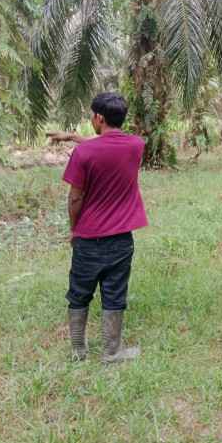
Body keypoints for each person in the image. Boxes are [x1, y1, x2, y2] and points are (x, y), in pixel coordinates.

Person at [46, 92, 148, 364]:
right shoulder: (137, 145)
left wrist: (72, 229)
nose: (90, 119)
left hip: (88, 238)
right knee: (115, 292)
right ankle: (112, 352)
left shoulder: (83, 153)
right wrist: (71, 136)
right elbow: (106, 145)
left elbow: (75, 196)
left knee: (79, 291)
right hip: (121, 238)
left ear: (99, 117)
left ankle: (78, 350)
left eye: (90, 115)